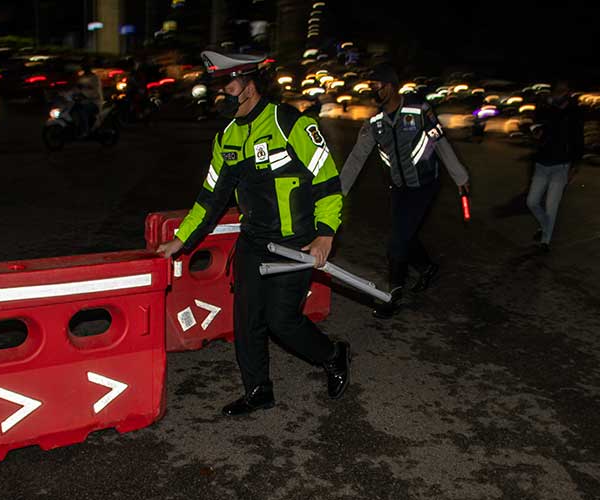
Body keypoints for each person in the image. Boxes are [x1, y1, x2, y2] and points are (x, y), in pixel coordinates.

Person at [157, 51, 351, 416]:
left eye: (227, 84)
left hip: (295, 243)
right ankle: (258, 389)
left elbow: (326, 180)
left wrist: (325, 235)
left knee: (282, 321)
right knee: (246, 321)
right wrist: (181, 240)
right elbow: (209, 198)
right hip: (254, 242)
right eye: (219, 85)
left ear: (249, 85)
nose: (221, 92)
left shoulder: (288, 123)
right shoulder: (227, 138)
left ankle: (332, 354)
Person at [339, 63, 470, 319]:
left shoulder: (419, 110)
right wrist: (338, 191)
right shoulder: (375, 122)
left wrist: (459, 176)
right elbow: (357, 157)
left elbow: (440, 142)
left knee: (397, 243)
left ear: (390, 86)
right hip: (399, 188)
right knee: (405, 235)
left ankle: (393, 295)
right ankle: (427, 268)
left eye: (376, 87)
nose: (373, 91)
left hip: (424, 185)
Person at [526, 79, 584, 252]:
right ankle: (545, 227)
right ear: (553, 92)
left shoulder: (573, 113)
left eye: (565, 90)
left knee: (552, 206)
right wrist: (536, 132)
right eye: (559, 90)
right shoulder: (545, 109)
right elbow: (534, 127)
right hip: (542, 164)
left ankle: (546, 241)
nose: (562, 93)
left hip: (562, 165)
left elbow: (578, 140)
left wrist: (576, 163)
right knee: (532, 202)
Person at [74, 59, 104, 138]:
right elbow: (76, 89)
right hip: (83, 101)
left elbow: (95, 91)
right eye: (84, 65)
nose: (85, 67)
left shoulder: (94, 78)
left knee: (82, 110)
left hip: (94, 102)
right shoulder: (81, 77)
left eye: (86, 66)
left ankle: (85, 130)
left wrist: (84, 95)